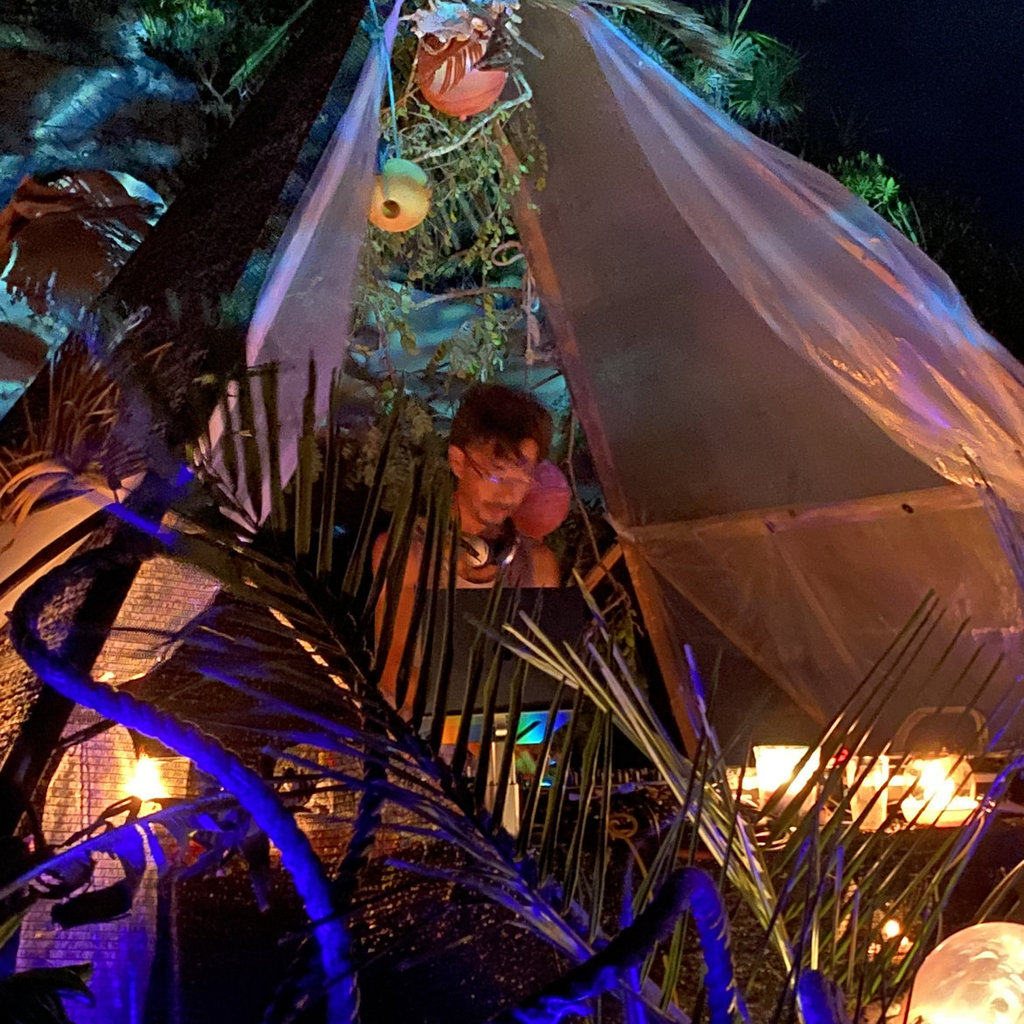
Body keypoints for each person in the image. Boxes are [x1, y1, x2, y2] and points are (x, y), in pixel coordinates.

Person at [372, 383, 562, 711]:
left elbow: (545, 688)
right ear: (457, 461)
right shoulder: (407, 552)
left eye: (522, 479)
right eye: (496, 476)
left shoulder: (538, 567)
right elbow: (394, 674)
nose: (508, 494)